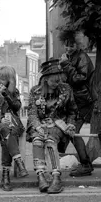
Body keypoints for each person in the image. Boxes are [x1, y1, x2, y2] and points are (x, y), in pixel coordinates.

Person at [27, 59, 77, 194]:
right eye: (55, 81)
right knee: (37, 140)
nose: (58, 84)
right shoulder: (35, 91)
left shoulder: (66, 89)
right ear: (45, 79)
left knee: (50, 141)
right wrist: (37, 127)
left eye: (60, 80)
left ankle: (56, 177)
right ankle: (41, 176)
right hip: (40, 125)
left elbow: (72, 111)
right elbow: (32, 113)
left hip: (58, 124)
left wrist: (71, 124)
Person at [58, 30, 96, 177]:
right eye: (66, 45)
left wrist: (66, 66)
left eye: (71, 45)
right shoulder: (69, 57)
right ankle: (85, 164)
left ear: (77, 44)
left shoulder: (82, 57)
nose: (68, 48)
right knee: (72, 131)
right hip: (74, 100)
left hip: (83, 101)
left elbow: (80, 79)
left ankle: (86, 165)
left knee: (74, 132)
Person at [0, 66, 28, 191]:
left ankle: (5, 176)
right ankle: (18, 164)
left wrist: (7, 95)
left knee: (8, 134)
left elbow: (17, 107)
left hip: (11, 126)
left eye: (3, 79)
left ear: (9, 81)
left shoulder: (14, 92)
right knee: (6, 131)